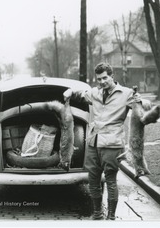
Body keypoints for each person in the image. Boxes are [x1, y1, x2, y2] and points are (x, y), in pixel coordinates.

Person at [63, 62, 151, 220]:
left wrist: (142, 101)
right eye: (99, 79)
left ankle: (111, 217)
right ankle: (97, 213)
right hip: (93, 143)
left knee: (110, 180)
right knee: (92, 179)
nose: (102, 82)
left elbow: (145, 107)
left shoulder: (126, 93)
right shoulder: (95, 93)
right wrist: (70, 91)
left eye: (105, 78)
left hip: (112, 144)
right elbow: (81, 94)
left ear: (112, 76)